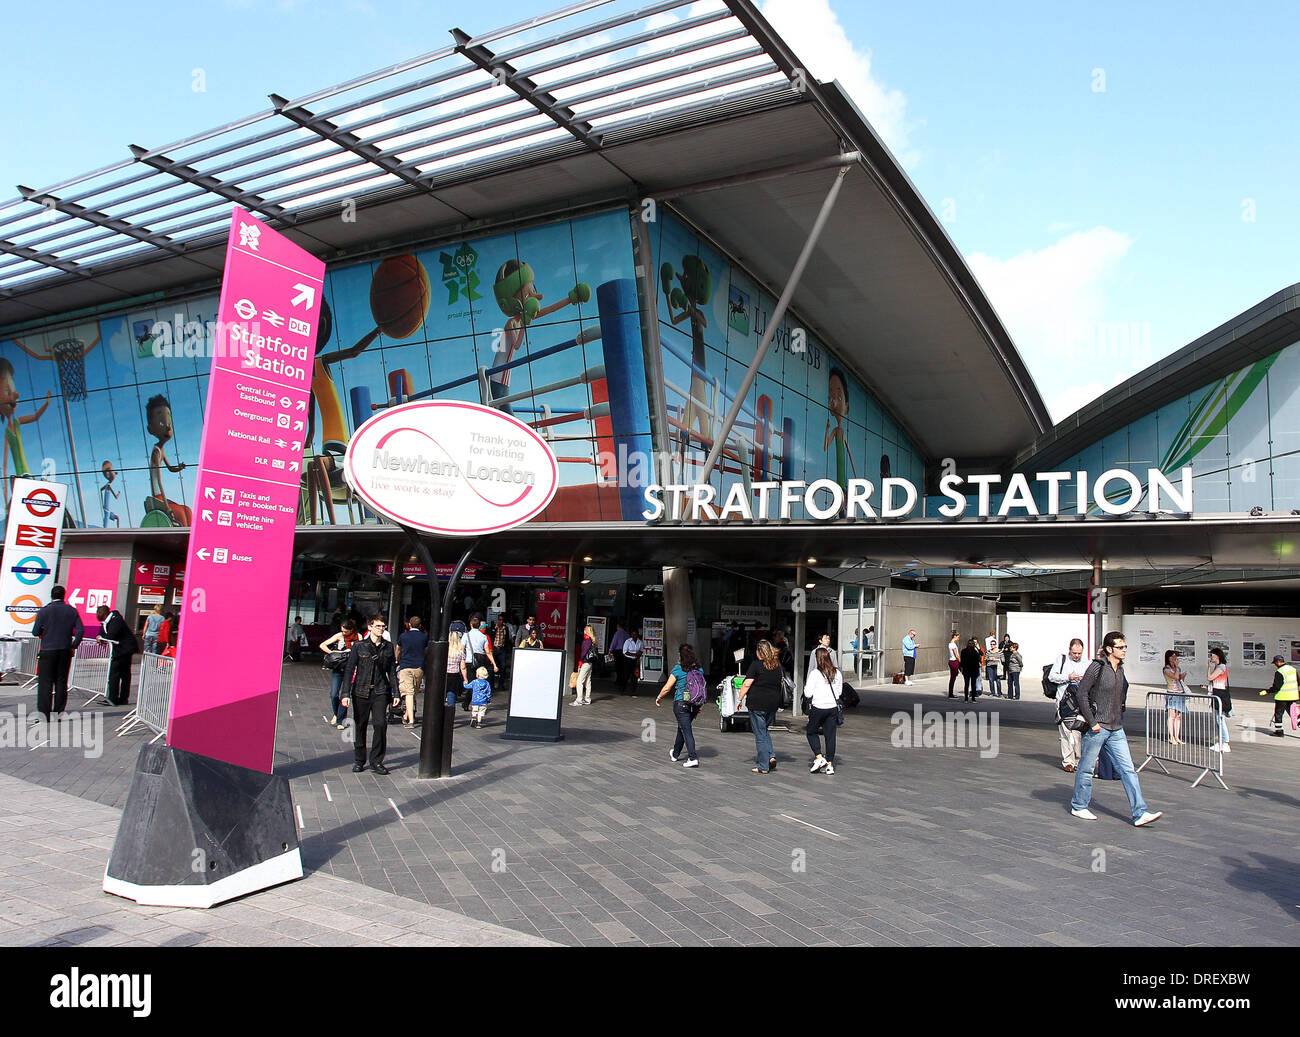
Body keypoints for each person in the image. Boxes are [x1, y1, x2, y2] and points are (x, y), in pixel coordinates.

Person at [1070, 631, 1162, 827]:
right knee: (1086, 769)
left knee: (1129, 770)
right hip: (1098, 728)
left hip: (1116, 729)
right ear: (1109, 649)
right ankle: (1078, 805)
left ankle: (1140, 813)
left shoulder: (1120, 669)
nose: (1124, 650)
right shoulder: (1097, 667)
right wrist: (1093, 722)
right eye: (1121, 647)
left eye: (1125, 646)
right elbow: (1082, 694)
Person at [341, 617, 398, 774]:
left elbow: (392, 671)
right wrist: (345, 693)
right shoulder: (359, 647)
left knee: (380, 724)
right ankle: (359, 760)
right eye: (378, 626)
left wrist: (396, 692)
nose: (381, 629)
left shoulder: (388, 647)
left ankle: (376, 761)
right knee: (360, 725)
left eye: (383, 626)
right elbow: (349, 670)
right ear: (370, 627)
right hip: (361, 691)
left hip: (380, 691)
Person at [31, 586, 83, 720]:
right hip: (65, 650)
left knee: (45, 683)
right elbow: (80, 630)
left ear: (51, 595)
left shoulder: (44, 611)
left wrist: (45, 631)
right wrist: (74, 645)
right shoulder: (72, 611)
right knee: (61, 682)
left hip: (48, 650)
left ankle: (44, 714)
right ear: (64, 595)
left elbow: (35, 631)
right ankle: (58, 714)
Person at [737, 639, 784, 774]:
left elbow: (746, 684)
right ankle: (771, 756)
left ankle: (763, 765)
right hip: (772, 704)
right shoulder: (777, 666)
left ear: (759, 653)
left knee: (760, 734)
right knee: (764, 730)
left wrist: (739, 699)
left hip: (757, 703)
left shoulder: (756, 665)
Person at [654, 643, 705, 769]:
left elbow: (667, 687)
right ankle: (675, 754)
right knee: (682, 728)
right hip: (694, 704)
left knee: (686, 730)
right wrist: (699, 705)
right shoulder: (699, 669)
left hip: (681, 703)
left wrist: (659, 698)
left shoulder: (678, 669)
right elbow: (700, 688)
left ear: (680, 656)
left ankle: (693, 758)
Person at [1048, 639, 1088, 771]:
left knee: (1077, 731)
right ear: (1069, 650)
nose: (1077, 655)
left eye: (1079, 653)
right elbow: (1052, 677)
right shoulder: (1062, 659)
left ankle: (1077, 760)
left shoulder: (1086, 663)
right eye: (1074, 653)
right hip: (1063, 701)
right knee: (1065, 732)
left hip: (1079, 702)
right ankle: (1068, 762)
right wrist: (1068, 677)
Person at [805, 646, 843, 776]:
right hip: (832, 707)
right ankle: (830, 765)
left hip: (818, 707)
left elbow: (807, 692)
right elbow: (839, 692)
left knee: (811, 731)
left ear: (818, 658)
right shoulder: (837, 673)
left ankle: (819, 757)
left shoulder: (815, 673)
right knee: (830, 735)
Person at [319, 619, 359, 728]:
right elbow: (323, 645)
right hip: (338, 667)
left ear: (352, 630)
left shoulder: (358, 637)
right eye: (343, 631)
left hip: (351, 669)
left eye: (346, 632)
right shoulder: (339, 636)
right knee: (333, 694)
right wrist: (335, 652)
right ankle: (336, 713)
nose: (344, 633)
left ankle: (341, 720)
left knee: (345, 694)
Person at [95, 604, 138, 706]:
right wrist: (100, 637)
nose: (97, 615)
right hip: (119, 649)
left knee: (117, 673)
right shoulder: (105, 622)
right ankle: (119, 698)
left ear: (105, 613)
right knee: (122, 673)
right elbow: (102, 634)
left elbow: (110, 635)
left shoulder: (116, 620)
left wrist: (102, 638)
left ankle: (114, 699)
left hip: (125, 649)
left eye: (99, 613)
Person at [395, 616, 429, 728]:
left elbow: (398, 649)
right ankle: (406, 715)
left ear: (409, 624)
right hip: (419, 667)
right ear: (420, 625)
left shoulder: (403, 636)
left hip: (405, 666)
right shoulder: (424, 637)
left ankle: (411, 720)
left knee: (409, 693)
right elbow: (426, 651)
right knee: (413, 691)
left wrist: (397, 660)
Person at [1259, 654, 1298, 737]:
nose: (1275, 665)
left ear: (1278, 662)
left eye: (1275, 663)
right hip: (1293, 696)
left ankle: (1279, 731)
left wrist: (1267, 691)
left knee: (1279, 713)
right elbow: (1299, 682)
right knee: (1294, 714)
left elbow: (1277, 686)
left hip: (1282, 697)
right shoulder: (1293, 669)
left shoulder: (1280, 672)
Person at [1206, 647, 1232, 753]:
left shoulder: (1221, 667)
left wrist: (1208, 667)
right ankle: (1221, 741)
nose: (1210, 657)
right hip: (1217, 693)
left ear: (1217, 656)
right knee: (1217, 719)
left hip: (1221, 695)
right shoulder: (1218, 666)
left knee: (1220, 720)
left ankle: (1225, 742)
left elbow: (1210, 677)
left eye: (1212, 655)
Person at [1162, 650, 1188, 745]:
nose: (1174, 658)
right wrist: (1177, 669)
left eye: (1175, 656)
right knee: (1172, 715)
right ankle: (1171, 736)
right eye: (1172, 656)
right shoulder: (1166, 669)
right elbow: (1175, 677)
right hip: (1172, 693)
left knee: (1178, 716)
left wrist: (1182, 675)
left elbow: (1179, 679)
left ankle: (1177, 736)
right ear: (1168, 658)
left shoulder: (1178, 668)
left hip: (1180, 692)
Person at [444, 628, 469, 707]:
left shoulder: (444, 650)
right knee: (451, 693)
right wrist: (465, 678)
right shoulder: (460, 652)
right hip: (454, 674)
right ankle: (450, 715)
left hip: (444, 674)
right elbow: (463, 667)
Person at [573, 624, 596, 706]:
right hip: (590, 662)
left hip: (585, 662)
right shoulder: (592, 640)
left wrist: (580, 661)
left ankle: (579, 699)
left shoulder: (587, 640)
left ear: (586, 631)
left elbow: (583, 652)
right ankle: (587, 698)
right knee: (588, 681)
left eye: (584, 630)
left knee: (580, 681)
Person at [958, 637, 982, 702]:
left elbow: (961, 661)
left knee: (966, 684)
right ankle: (973, 699)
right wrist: (978, 648)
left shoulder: (963, 651)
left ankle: (966, 698)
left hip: (966, 670)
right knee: (973, 684)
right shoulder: (975, 652)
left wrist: (961, 669)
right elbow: (979, 659)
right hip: (974, 670)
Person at [609, 621, 630, 691]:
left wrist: (610, 650)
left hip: (618, 652)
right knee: (623, 667)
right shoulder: (626, 634)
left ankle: (618, 680)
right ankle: (623, 680)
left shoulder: (617, 633)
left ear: (618, 626)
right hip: (625, 652)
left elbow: (614, 642)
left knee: (618, 666)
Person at [621, 629, 643, 694]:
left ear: (637, 635)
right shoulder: (628, 641)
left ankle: (633, 691)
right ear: (631, 635)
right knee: (626, 675)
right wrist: (634, 654)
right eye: (633, 634)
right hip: (628, 660)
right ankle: (623, 689)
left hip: (635, 660)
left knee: (635, 676)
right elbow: (625, 652)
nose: (634, 636)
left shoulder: (640, 642)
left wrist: (638, 655)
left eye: (635, 634)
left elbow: (641, 650)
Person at [984, 631, 1002, 697]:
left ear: (996, 644)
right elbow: (985, 659)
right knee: (991, 680)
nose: (992, 645)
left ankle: (999, 693)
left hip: (997, 666)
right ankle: (992, 692)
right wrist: (989, 659)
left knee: (998, 680)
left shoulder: (999, 651)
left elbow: (1002, 659)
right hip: (990, 666)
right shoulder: (988, 652)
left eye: (993, 644)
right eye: (991, 644)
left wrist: (996, 659)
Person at [947, 631, 961, 698]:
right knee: (953, 678)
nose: (958, 639)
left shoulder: (950, 644)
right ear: (955, 636)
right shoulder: (953, 645)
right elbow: (956, 655)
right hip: (954, 661)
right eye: (958, 637)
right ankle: (950, 693)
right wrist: (960, 661)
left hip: (951, 661)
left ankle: (951, 692)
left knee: (953, 677)